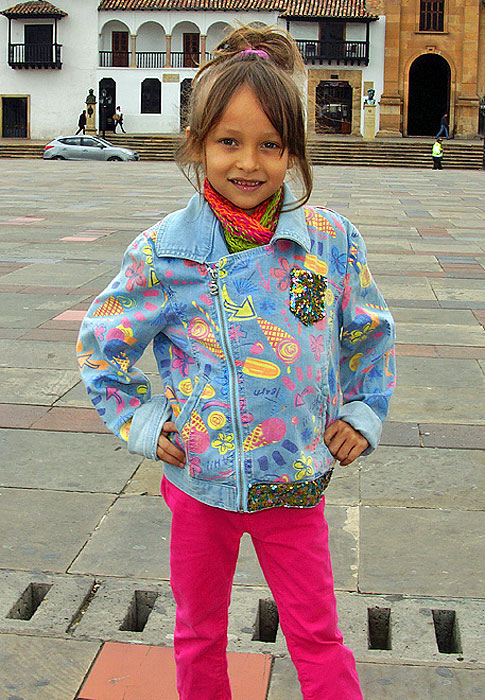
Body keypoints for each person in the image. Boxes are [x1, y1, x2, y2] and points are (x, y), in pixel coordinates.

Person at [77, 25, 396, 700]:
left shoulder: (330, 243)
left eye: (270, 145)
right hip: (200, 483)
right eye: (229, 141)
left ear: (294, 153)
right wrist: (140, 420)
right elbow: (101, 345)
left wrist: (361, 412)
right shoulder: (164, 251)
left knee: (316, 634)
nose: (248, 163)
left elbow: (368, 335)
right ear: (197, 145)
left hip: (294, 483)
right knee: (197, 632)